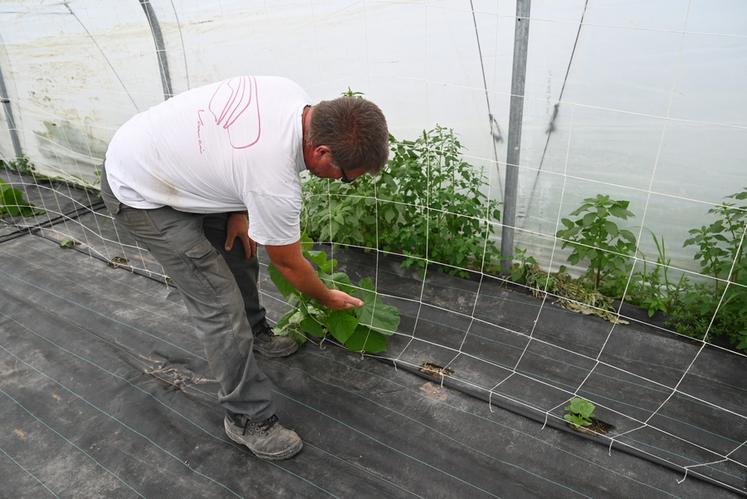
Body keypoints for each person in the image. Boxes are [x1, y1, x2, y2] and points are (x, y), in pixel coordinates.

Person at [100, 75, 388, 460]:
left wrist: (238, 208)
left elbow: (231, 141)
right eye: (347, 177)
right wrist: (326, 297)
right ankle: (246, 418)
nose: (343, 182)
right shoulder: (274, 179)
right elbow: (288, 262)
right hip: (140, 189)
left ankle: (255, 333)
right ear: (320, 151)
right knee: (218, 304)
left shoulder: (292, 96)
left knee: (240, 249)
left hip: (175, 162)